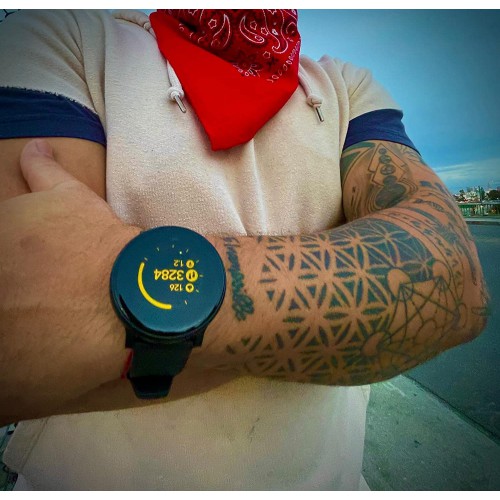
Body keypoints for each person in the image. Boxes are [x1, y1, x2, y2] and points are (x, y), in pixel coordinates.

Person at [0, 9, 489, 490]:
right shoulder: (59, 36)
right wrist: (338, 320)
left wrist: (111, 300)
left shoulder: (348, 87)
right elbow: (28, 337)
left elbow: (454, 276)